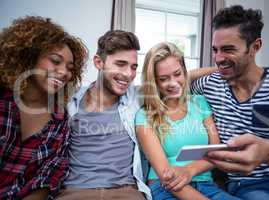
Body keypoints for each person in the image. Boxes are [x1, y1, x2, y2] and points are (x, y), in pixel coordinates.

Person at [190, 5, 269, 200]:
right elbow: (178, 79)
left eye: (228, 49)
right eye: (215, 50)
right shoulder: (210, 85)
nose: (218, 58)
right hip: (249, 185)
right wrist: (224, 66)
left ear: (255, 47)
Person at [135, 42, 241, 200]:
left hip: (206, 185)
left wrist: (190, 170)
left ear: (185, 71)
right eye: (164, 79)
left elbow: (217, 154)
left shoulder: (199, 103)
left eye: (177, 74)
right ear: (154, 82)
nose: (173, 83)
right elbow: (166, 176)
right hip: (166, 188)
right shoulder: (145, 115)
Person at [56, 30, 152, 200]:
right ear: (98, 62)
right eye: (121, 64)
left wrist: (216, 66)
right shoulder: (70, 99)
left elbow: (176, 78)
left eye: (133, 67)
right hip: (75, 191)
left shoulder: (137, 97)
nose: (129, 74)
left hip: (125, 191)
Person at [0, 16, 88, 199]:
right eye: (55, 61)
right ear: (29, 58)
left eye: (70, 68)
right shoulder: (4, 102)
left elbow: (50, 174)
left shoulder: (59, 118)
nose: (64, 72)